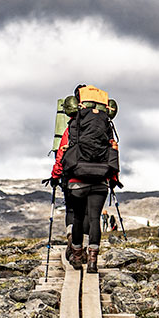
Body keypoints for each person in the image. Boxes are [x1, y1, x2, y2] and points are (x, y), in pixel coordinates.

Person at [48, 84, 121, 274]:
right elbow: (112, 153)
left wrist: (55, 176)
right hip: (100, 181)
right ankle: (93, 262)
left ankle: (78, 257)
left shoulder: (72, 126)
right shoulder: (106, 128)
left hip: (77, 180)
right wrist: (113, 178)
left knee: (78, 217)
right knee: (95, 218)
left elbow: (62, 154)